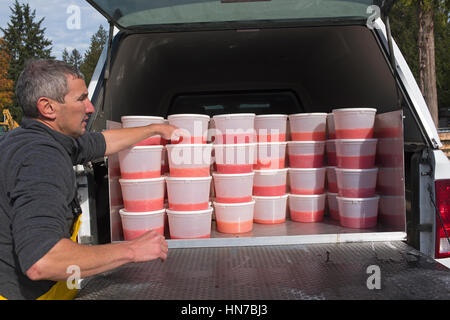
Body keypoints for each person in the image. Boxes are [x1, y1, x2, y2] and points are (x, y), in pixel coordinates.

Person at [0, 59, 182, 300]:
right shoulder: (42, 159)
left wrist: (153, 129)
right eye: (81, 99)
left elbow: (103, 142)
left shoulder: (38, 138)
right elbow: (42, 260)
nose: (90, 108)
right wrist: (132, 250)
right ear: (48, 108)